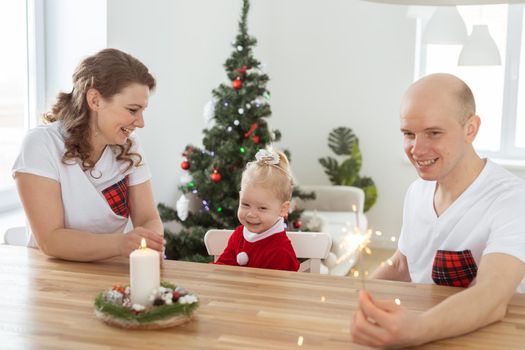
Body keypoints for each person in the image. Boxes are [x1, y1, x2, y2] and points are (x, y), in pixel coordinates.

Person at [351, 73, 525, 347]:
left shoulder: (513, 198)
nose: (417, 149)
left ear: (471, 129)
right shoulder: (417, 192)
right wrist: (351, 296)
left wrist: (414, 330)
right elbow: (403, 264)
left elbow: (492, 298)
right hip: (426, 330)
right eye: (408, 134)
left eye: (434, 132)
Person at [12, 48, 164, 262]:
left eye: (142, 111)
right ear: (95, 100)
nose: (140, 122)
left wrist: (150, 242)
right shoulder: (41, 145)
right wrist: (121, 244)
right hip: (54, 279)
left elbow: (148, 218)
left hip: (109, 273)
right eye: (132, 110)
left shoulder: (130, 146)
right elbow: (51, 240)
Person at [215, 148, 300, 271]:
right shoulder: (239, 235)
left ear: (283, 209)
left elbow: (279, 289)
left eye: (262, 208)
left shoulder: (280, 251)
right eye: (245, 204)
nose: (251, 214)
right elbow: (223, 267)